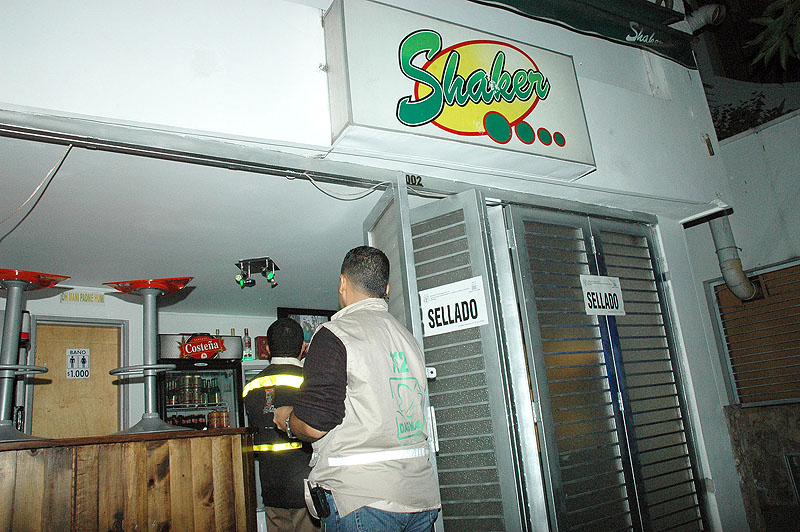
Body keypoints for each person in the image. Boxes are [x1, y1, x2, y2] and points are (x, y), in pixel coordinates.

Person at [274, 246, 441, 532]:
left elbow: (314, 425)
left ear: (342, 283)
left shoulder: (335, 334)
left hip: (362, 500)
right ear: (386, 289)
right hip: (420, 497)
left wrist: (289, 421)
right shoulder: (409, 340)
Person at [243, 318, 319, 532]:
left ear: (267, 348)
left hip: (271, 488)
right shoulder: (312, 382)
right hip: (308, 488)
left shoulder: (250, 387)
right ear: (303, 347)